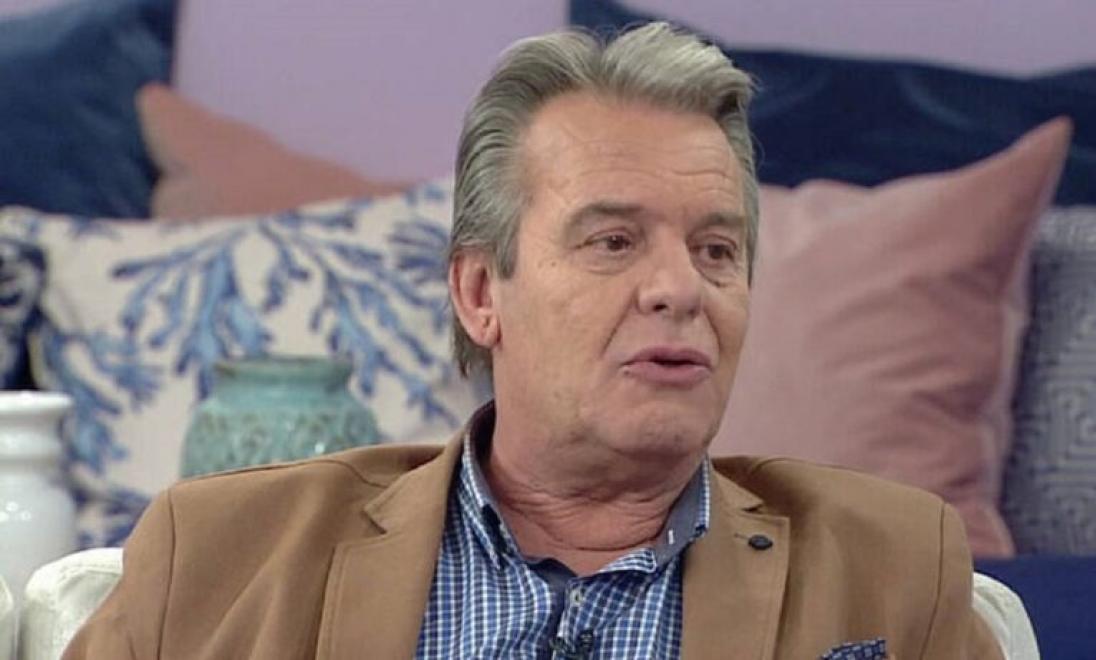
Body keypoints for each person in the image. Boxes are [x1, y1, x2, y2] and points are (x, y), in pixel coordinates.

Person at [63, 22, 1002, 660]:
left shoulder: (890, 565)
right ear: (481, 294)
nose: (680, 288)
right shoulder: (216, 559)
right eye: (614, 241)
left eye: (717, 250)